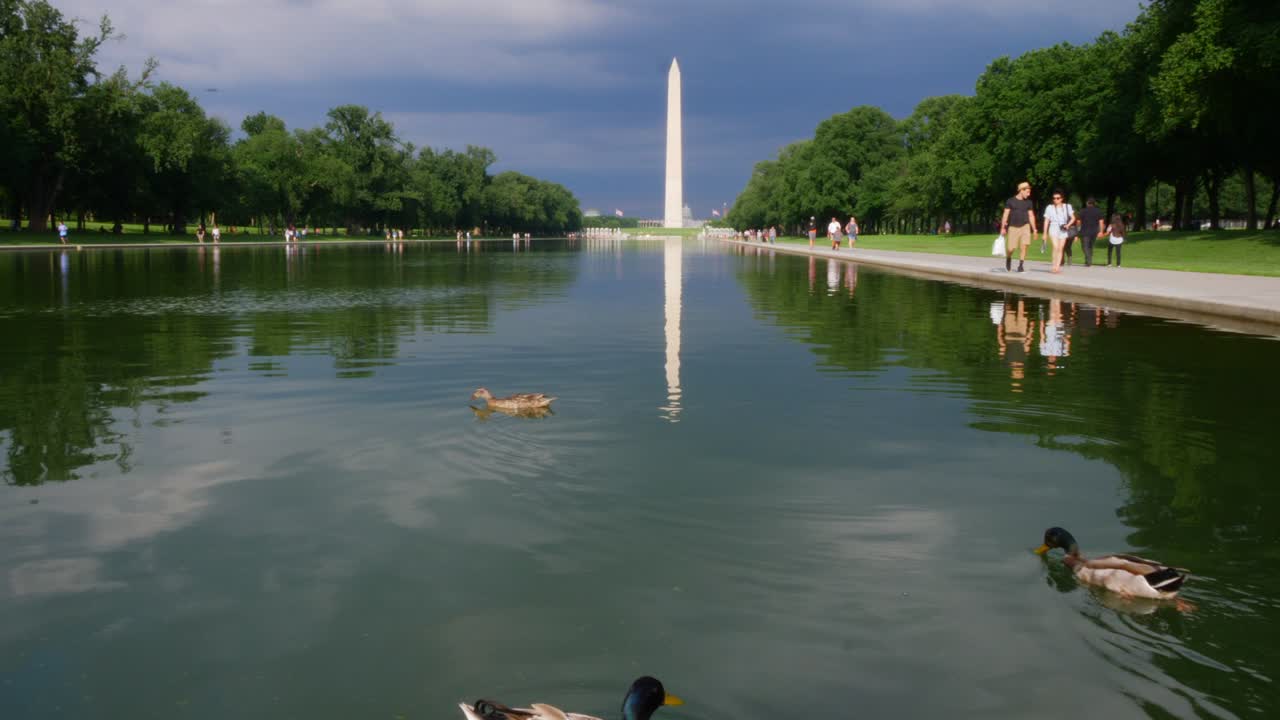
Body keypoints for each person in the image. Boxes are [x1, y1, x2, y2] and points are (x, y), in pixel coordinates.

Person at [999, 182, 1037, 272]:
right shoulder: (1010, 201)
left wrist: (1034, 229)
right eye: (1027, 192)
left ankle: (1021, 265)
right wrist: (1003, 228)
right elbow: (1005, 215)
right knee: (1011, 248)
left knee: (1024, 246)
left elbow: (1031, 216)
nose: (1029, 194)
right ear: (1021, 190)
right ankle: (1008, 257)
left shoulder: (1029, 202)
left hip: (1025, 226)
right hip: (1013, 227)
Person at [1042, 189, 1075, 274]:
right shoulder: (1049, 207)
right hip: (1053, 227)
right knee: (1055, 247)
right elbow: (1046, 221)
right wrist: (1044, 233)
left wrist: (1068, 225)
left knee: (1060, 248)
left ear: (1062, 198)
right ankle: (1054, 266)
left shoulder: (1067, 206)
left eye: (1058, 198)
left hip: (1063, 228)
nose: (1055, 200)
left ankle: (1057, 267)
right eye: (1054, 198)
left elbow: (1073, 218)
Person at [1076, 198, 1103, 266]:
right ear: (1094, 204)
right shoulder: (1098, 211)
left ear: (1087, 203)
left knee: (1085, 247)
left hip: (1084, 231)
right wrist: (1101, 231)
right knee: (1090, 246)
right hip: (1094, 232)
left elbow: (1078, 221)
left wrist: (1078, 229)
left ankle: (1088, 260)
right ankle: (1088, 260)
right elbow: (1101, 222)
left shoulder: (1083, 211)